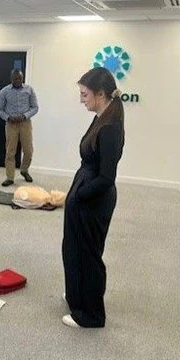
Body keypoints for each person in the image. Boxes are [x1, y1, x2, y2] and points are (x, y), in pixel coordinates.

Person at [62, 67, 124, 329]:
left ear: (100, 94)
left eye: (84, 94)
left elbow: (106, 178)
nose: (81, 99)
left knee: (88, 255)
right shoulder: (101, 115)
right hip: (84, 193)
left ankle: (92, 315)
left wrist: (78, 196)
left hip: (94, 199)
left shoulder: (110, 126)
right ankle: (78, 298)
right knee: (72, 249)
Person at [0, 69, 39, 187]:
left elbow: (35, 107)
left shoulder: (29, 90)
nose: (18, 80)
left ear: (22, 78)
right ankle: (10, 177)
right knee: (10, 151)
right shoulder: (4, 91)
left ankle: (24, 170)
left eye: (20, 78)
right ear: (11, 78)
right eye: (15, 78)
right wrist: (8, 118)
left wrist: (24, 116)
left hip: (25, 123)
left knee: (28, 151)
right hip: (11, 124)